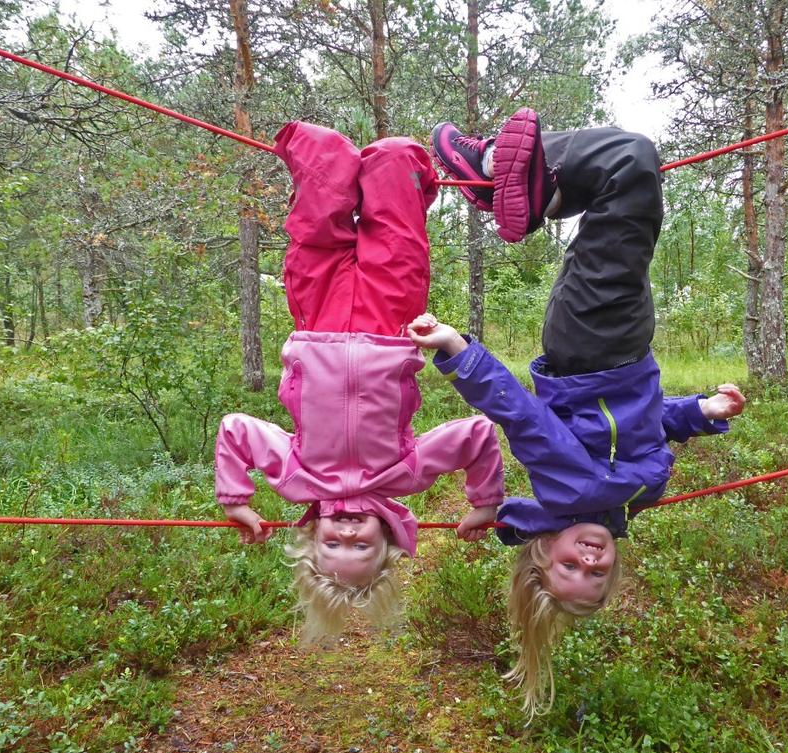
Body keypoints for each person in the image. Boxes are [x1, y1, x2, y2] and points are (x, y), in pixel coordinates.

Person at [411, 108, 746, 715]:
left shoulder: (570, 489)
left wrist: (460, 353)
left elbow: (523, 418)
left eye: (571, 566)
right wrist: (701, 411)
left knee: (631, 165)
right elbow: (642, 424)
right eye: (596, 575)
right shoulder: (633, 496)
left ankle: (490, 169)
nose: (589, 561)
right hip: (618, 346)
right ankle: (538, 189)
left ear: (545, 547)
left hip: (593, 345)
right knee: (617, 202)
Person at [214, 121, 505, 643]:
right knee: (396, 162)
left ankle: (326, 161)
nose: (347, 537)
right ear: (389, 538)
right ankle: (398, 172)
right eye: (361, 548)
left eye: (335, 547)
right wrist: (485, 502)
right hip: (392, 320)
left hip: (316, 319)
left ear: (313, 540)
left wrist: (235, 498)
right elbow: (478, 435)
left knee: (318, 185)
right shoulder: (403, 475)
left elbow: (236, 430)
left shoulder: (295, 477)